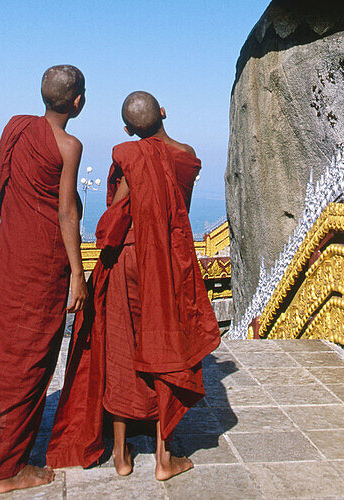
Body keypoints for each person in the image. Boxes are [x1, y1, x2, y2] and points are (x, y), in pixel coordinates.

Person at [47, 91, 220, 481]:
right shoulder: (185, 153)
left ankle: (122, 455)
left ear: (127, 129)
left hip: (128, 260)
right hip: (167, 262)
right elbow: (176, 207)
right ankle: (163, 457)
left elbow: (116, 217)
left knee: (122, 349)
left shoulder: (129, 156)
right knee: (167, 345)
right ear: (163, 112)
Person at [0, 65, 87, 494]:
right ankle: (8, 469)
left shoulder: (17, 128)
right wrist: (77, 272)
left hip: (9, 252)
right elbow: (67, 212)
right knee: (27, 362)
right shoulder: (69, 146)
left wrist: (18, 225)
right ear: (78, 102)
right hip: (42, 263)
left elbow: (1, 185)